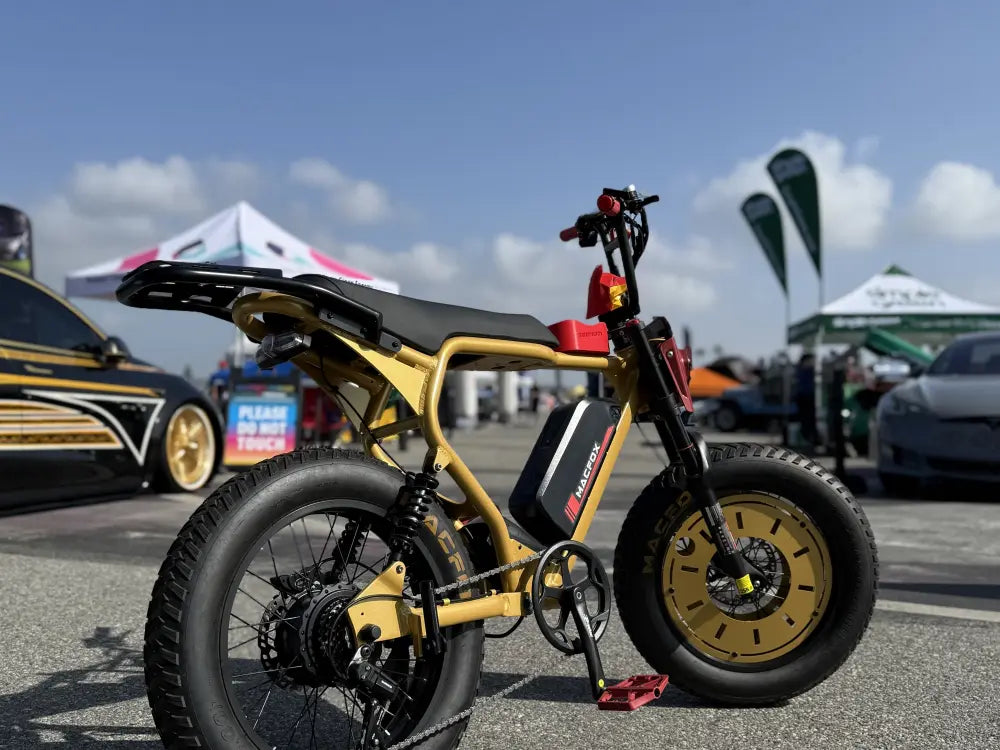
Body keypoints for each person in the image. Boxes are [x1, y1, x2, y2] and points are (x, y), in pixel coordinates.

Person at [794, 353, 818, 446]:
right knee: (806, 420)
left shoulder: (804, 370)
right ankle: (808, 439)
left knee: (809, 420)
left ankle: (810, 439)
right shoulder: (805, 370)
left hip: (807, 397)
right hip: (805, 397)